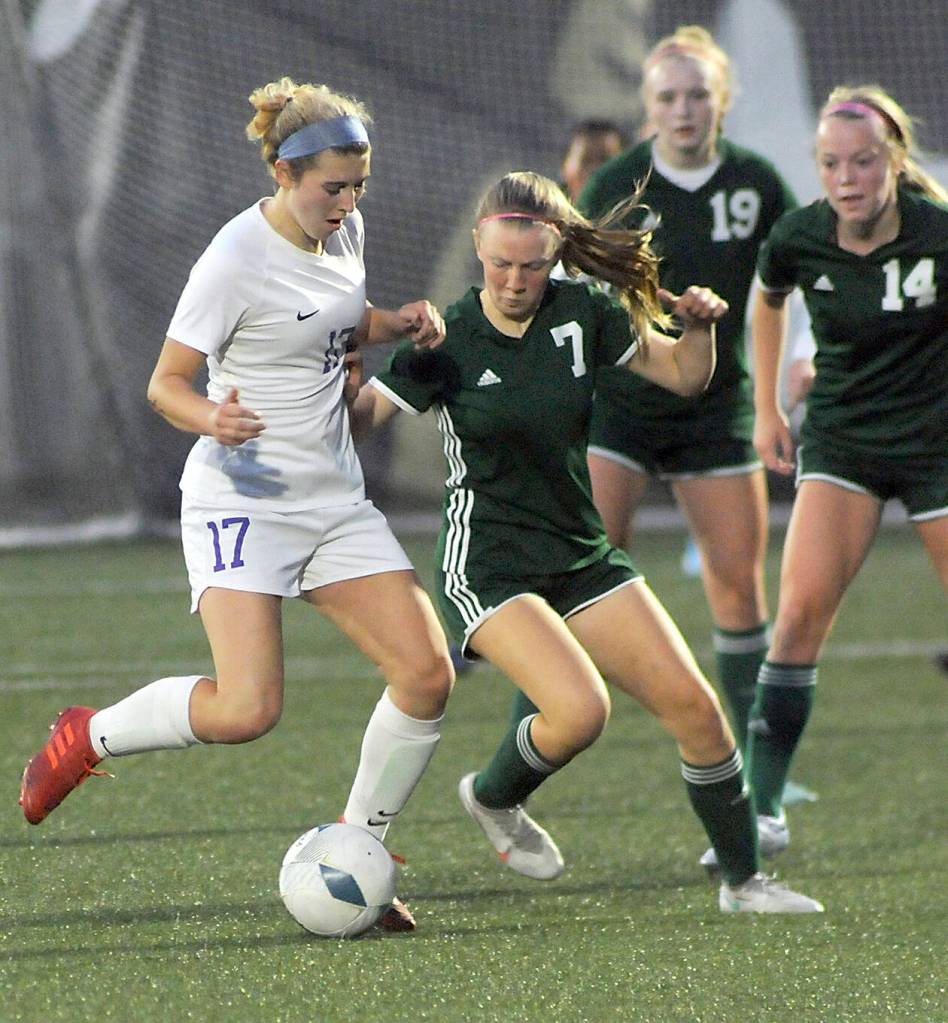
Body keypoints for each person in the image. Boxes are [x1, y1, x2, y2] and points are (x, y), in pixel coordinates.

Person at [18, 77, 456, 932]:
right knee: (245, 709)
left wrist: (392, 322)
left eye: (359, 185)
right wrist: (211, 414)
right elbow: (163, 385)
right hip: (244, 502)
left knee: (427, 672)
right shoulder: (231, 260)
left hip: (332, 496)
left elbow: (327, 316)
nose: (349, 200)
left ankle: (353, 853)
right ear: (287, 174)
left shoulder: (344, 228)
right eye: (334, 185)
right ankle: (88, 734)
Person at [352, 170, 823, 913]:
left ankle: (744, 882)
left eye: (532, 264)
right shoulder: (446, 337)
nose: (513, 280)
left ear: (557, 254)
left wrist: (698, 326)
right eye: (500, 263)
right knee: (580, 711)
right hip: (490, 562)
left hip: (579, 551)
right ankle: (494, 797)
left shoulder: (585, 313)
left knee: (698, 710)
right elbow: (362, 418)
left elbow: (684, 375)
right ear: (477, 245)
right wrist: (334, 357)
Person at [578, 26, 815, 784]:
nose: (684, 110)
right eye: (668, 97)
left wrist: (801, 361)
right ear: (647, 107)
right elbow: (575, 295)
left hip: (718, 409)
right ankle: (523, 765)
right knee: (579, 574)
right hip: (622, 405)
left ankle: (753, 768)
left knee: (739, 586)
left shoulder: (757, 182)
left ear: (723, 101)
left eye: (698, 95)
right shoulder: (615, 184)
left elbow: (793, 281)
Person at [742, 84, 948, 854]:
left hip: (937, 446)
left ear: (895, 161)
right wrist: (766, 408)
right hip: (845, 444)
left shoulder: (939, 232)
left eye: (863, 162)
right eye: (831, 163)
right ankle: (761, 809)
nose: (847, 178)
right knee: (796, 621)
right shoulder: (800, 237)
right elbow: (766, 302)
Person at [560, 119, 628, 202]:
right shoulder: (545, 213)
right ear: (565, 167)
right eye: (586, 161)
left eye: (605, 161)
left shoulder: (643, 211)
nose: (594, 169)